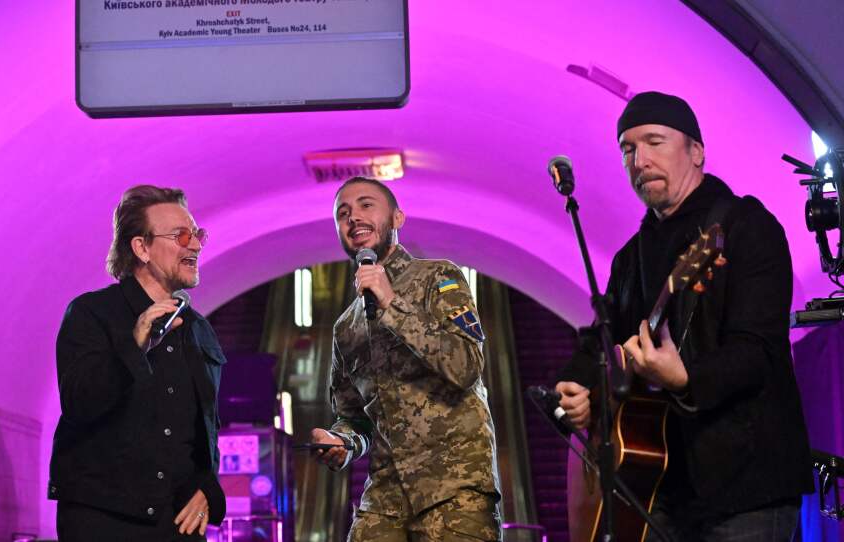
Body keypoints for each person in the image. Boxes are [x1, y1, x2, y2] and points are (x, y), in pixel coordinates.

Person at [555, 91, 814, 541]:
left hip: (746, 485)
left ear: (696, 151)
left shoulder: (745, 227)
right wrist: (578, 390)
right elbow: (600, 337)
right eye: (628, 149)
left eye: (655, 142)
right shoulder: (629, 258)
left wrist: (685, 377)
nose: (640, 160)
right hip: (658, 488)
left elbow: (758, 352)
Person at [309, 177, 502, 541]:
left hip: (454, 488)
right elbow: (354, 418)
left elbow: (465, 366)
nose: (353, 218)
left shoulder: (438, 278)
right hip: (386, 497)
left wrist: (391, 304)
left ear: (397, 218)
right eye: (343, 213)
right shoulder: (345, 328)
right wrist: (342, 442)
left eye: (366, 205)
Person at [48, 185, 226, 541]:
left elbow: (205, 430)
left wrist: (208, 488)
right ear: (141, 247)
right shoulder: (91, 313)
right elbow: (79, 403)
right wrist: (135, 344)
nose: (196, 244)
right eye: (182, 235)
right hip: (103, 521)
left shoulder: (199, 330)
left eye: (198, 234)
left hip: (178, 523)